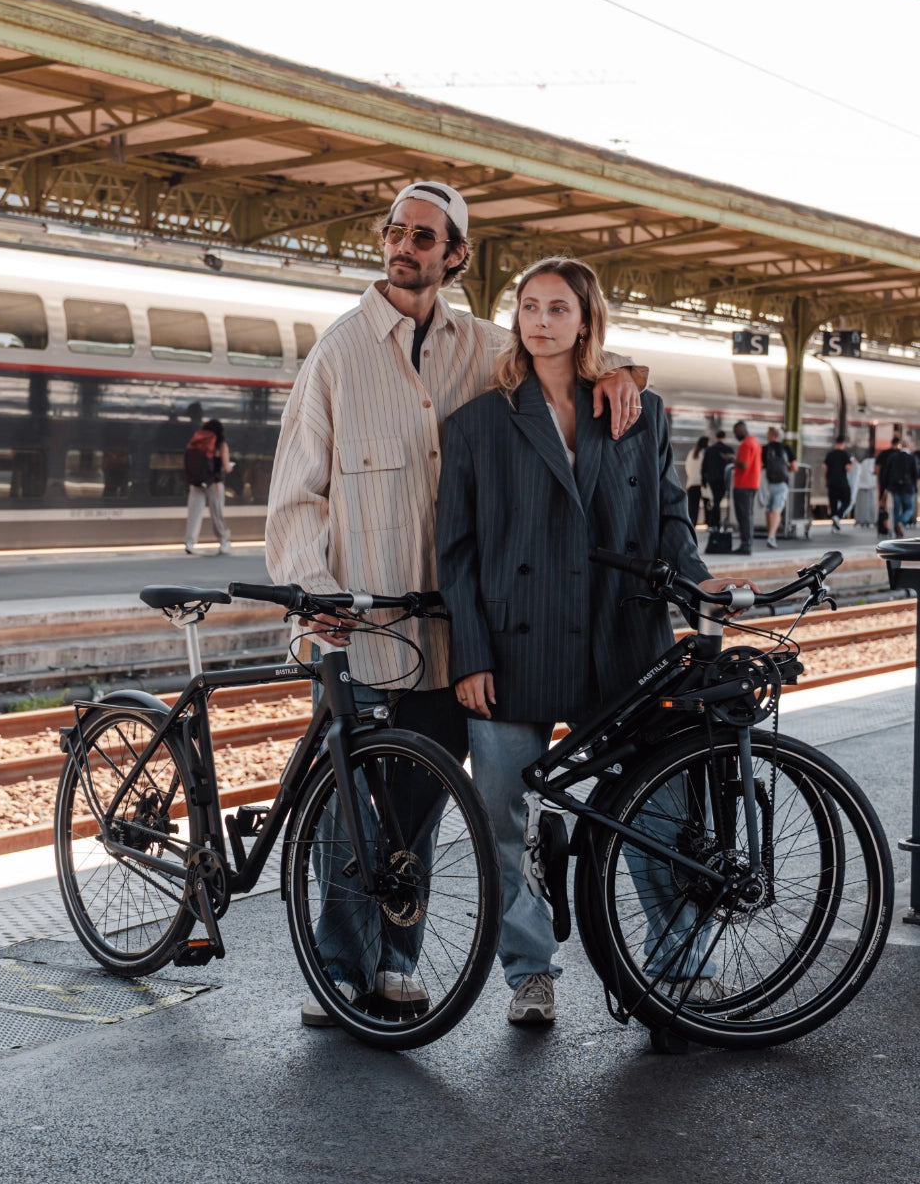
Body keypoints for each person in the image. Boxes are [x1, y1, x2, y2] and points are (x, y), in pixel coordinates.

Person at [265, 181, 646, 1027]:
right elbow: (295, 495)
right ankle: (339, 970)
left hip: (446, 633)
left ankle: (395, 962)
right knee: (349, 810)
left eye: (425, 238)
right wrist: (316, 595)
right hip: (359, 628)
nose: (406, 247)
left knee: (417, 807)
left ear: (455, 255)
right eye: (397, 232)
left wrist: (622, 374)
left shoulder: (484, 348)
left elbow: (563, 364)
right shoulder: (337, 354)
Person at [436, 257, 754, 1026]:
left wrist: (698, 577)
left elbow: (671, 517)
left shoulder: (638, 411)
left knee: (659, 813)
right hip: (514, 648)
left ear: (586, 323)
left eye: (557, 309)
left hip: (623, 644)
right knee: (501, 822)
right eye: (529, 307)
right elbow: (458, 551)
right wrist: (470, 653)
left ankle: (679, 966)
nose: (540, 320)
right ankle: (530, 972)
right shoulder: (478, 423)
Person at [184, 417, 233, 555]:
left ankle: (190, 542)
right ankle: (224, 541)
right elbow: (226, 467)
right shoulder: (220, 444)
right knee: (217, 513)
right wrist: (230, 467)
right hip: (214, 483)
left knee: (194, 513)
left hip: (196, 482)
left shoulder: (197, 441)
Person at [761, 425, 796, 549]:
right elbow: (794, 468)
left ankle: (770, 534)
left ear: (770, 436)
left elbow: (760, 466)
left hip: (767, 483)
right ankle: (772, 536)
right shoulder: (786, 448)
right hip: (782, 483)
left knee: (768, 509)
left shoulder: (764, 449)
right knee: (777, 509)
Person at [878, 436, 919, 538]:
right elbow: (916, 473)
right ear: (908, 446)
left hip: (894, 488)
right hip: (907, 488)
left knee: (896, 509)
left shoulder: (893, 457)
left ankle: (897, 530)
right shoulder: (912, 458)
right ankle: (901, 522)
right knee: (909, 508)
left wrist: (884, 487)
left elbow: (885, 474)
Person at [731, 420, 761, 555]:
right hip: (753, 483)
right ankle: (747, 543)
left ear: (741, 430)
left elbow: (744, 464)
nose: (735, 435)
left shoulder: (745, 444)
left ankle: (745, 545)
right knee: (748, 515)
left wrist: (731, 459)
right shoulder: (755, 442)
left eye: (736, 432)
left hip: (743, 484)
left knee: (743, 515)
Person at [700, 429, 734, 531]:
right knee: (717, 500)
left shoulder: (709, 450)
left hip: (712, 479)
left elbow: (704, 466)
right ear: (724, 438)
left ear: (716, 438)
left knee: (716, 500)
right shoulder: (729, 449)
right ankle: (716, 523)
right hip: (724, 480)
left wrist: (704, 481)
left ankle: (714, 523)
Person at [823, 436, 854, 533]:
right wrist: (852, 463)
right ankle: (838, 516)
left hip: (831, 481)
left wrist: (826, 479)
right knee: (847, 500)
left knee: (833, 503)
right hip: (842, 481)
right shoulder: (845, 454)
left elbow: (824, 467)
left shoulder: (830, 454)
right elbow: (848, 468)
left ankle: (834, 526)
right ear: (843, 444)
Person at [684, 436, 708, 528]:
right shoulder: (705, 453)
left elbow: (687, 467)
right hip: (702, 484)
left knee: (692, 507)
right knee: (707, 505)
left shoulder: (691, 453)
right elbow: (705, 468)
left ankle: (691, 525)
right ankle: (708, 524)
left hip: (691, 483)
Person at [854, 452, 877, 527]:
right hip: (870, 486)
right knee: (870, 505)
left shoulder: (864, 462)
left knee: (862, 505)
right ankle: (870, 520)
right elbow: (873, 473)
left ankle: (861, 520)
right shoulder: (873, 462)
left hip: (861, 486)